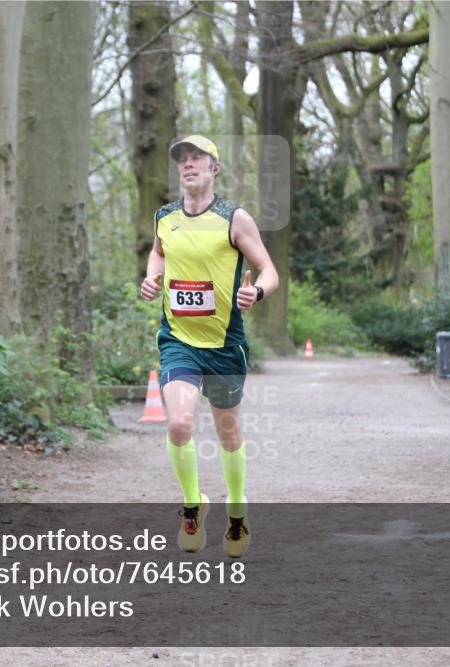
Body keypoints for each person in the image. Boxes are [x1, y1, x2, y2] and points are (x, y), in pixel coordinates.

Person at [139, 135, 279, 558]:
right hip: (179, 340)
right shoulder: (165, 217)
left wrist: (257, 292)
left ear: (214, 168)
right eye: (182, 159)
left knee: (228, 433)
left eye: (197, 158)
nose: (188, 164)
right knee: (179, 424)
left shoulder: (234, 219)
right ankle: (192, 505)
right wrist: (152, 276)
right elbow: (158, 252)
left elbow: (268, 270)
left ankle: (236, 510)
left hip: (223, 345)